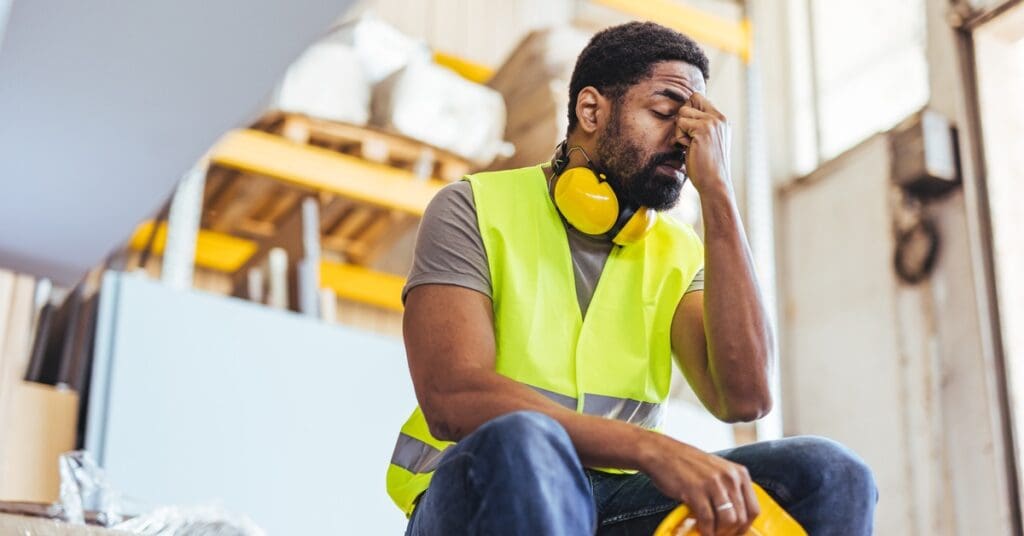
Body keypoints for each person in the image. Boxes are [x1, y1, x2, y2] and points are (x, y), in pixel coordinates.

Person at [386, 21, 877, 536]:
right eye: (665, 112)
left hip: (615, 502)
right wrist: (649, 448)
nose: (683, 140)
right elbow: (452, 397)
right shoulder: (473, 208)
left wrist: (718, 191)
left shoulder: (678, 249)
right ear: (591, 110)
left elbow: (745, 398)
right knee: (524, 442)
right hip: (481, 492)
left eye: (695, 125)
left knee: (829, 474)